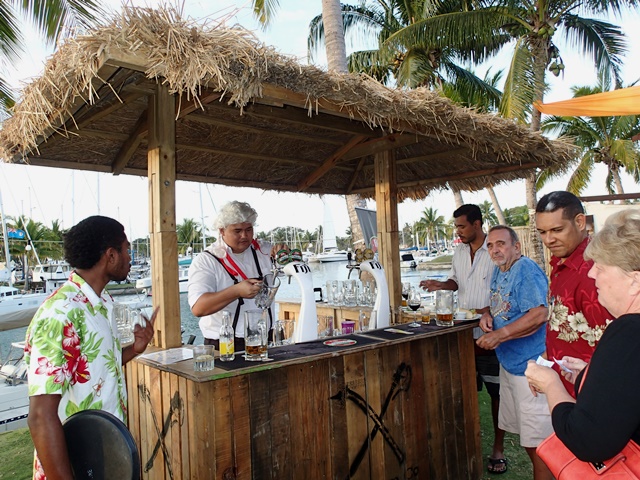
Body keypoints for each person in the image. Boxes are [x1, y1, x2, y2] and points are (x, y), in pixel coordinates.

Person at [25, 215, 157, 480]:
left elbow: (91, 368)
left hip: (102, 455)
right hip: (75, 460)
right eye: (127, 250)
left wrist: (135, 349)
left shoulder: (99, 302)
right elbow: (40, 416)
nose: (130, 258)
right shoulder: (61, 313)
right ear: (111, 255)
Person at [525, 208, 640, 464]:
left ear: (634, 280)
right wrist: (586, 379)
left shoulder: (629, 331)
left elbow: (587, 441)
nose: (591, 274)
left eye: (600, 268)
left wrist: (552, 383)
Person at [420, 204, 507, 474]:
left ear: (477, 224)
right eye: (456, 226)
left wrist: (489, 311)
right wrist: (440, 285)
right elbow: (456, 282)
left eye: (461, 226)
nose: (457, 231)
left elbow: (505, 287)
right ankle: (466, 445)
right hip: (462, 334)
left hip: (491, 333)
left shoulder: (494, 250)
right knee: (464, 390)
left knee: (497, 394)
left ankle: (498, 449)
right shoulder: (458, 251)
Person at [477, 225, 552, 480]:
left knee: (540, 443)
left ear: (516, 247)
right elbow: (502, 305)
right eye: (490, 245)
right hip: (510, 365)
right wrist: (487, 316)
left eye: (501, 244)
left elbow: (540, 314)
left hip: (530, 368)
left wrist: (500, 334)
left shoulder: (524, 269)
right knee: (527, 439)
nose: (494, 249)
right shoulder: (501, 271)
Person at [535, 191, 612, 395]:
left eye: (557, 229)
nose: (549, 239)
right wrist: (544, 363)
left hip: (591, 396)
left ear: (579, 222)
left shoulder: (595, 273)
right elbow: (562, 328)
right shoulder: (560, 265)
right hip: (563, 390)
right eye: (542, 232)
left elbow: (612, 346)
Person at [188, 201, 285, 350]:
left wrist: (286, 254)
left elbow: (290, 267)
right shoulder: (206, 260)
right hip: (226, 344)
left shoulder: (265, 250)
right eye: (237, 230)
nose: (244, 236)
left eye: (249, 229)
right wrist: (236, 291)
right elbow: (198, 308)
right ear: (222, 231)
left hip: (268, 338)